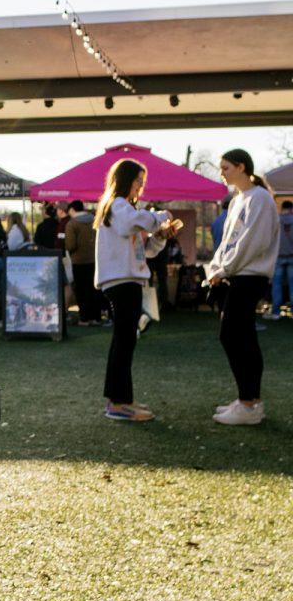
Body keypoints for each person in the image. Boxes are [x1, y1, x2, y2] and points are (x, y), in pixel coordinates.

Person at [93, 160, 175, 422]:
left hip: (127, 280)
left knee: (124, 340)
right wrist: (160, 217)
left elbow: (145, 250)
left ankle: (120, 399)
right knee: (124, 341)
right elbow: (132, 225)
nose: (141, 185)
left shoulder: (124, 209)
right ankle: (118, 403)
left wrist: (161, 236)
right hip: (122, 282)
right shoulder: (118, 206)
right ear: (125, 179)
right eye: (138, 180)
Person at [205, 149, 279, 426]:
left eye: (225, 167)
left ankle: (249, 403)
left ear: (241, 166)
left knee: (233, 335)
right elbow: (228, 242)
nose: (221, 172)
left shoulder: (259, 198)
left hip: (249, 275)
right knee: (241, 335)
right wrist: (216, 269)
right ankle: (249, 401)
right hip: (237, 274)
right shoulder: (239, 199)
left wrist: (224, 269)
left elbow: (252, 242)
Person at [65, 201, 100, 325]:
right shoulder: (94, 221)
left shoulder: (72, 224)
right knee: (94, 290)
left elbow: (70, 245)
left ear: (73, 209)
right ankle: (96, 317)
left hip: (78, 261)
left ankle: (84, 318)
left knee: (81, 290)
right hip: (94, 260)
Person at [266, 199, 293, 319]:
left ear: (282, 208)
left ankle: (276, 311)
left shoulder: (275, 220)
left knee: (276, 285)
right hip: (292, 257)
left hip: (278, 256)